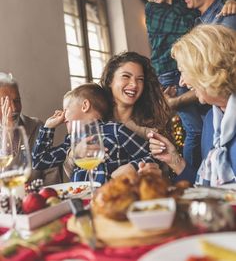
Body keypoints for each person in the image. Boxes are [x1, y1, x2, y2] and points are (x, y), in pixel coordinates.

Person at [138, 0, 236, 169]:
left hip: (184, 69)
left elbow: (210, 6)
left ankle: (205, 169)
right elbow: (186, 25)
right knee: (194, 128)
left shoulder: (183, 5)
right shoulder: (153, 10)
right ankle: (193, 171)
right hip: (168, 74)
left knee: (204, 120)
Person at [149, 25, 236, 186]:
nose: (182, 82)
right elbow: (206, 189)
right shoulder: (212, 119)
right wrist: (174, 159)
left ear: (208, 68)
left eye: (183, 71)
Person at [32, 83, 160, 184]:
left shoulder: (115, 130)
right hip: (82, 200)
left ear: (85, 105)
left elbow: (151, 155)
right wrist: (48, 127)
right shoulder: (71, 142)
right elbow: (39, 161)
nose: (63, 116)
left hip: (114, 196)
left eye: (66, 110)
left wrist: (133, 166)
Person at [0, 72, 60, 184]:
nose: (13, 108)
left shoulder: (36, 126)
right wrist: (7, 133)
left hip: (39, 197)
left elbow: (51, 171)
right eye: (5, 103)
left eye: (17, 100)